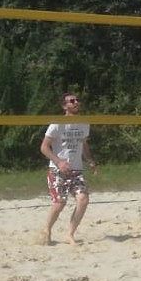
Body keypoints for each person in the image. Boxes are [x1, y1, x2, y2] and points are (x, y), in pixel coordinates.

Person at [39, 92, 97, 245]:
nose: (76, 102)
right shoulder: (57, 124)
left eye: (77, 100)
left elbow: (83, 144)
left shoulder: (84, 123)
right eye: (72, 101)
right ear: (64, 106)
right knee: (59, 203)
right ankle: (47, 229)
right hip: (57, 170)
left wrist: (90, 161)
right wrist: (59, 162)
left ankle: (70, 234)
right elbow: (44, 147)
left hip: (76, 170)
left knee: (83, 199)